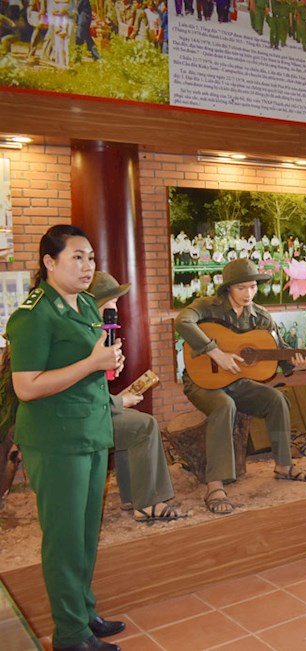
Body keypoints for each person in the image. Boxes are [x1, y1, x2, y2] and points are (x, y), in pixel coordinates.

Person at [6, 224, 126, 651]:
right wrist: (93, 362)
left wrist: (109, 361)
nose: (87, 265)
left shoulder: (89, 306)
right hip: (55, 441)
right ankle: (70, 635)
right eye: (77, 257)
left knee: (84, 532)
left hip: (90, 432)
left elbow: (94, 366)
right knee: (64, 538)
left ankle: (83, 611)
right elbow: (27, 386)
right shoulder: (33, 316)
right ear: (49, 262)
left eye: (90, 257)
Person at [174, 258, 306, 516]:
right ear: (228, 288)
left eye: (252, 287)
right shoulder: (207, 307)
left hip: (238, 383)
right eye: (242, 288)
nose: (249, 293)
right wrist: (215, 353)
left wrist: (296, 363)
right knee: (224, 405)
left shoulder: (261, 317)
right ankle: (214, 485)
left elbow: (281, 355)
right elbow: (183, 322)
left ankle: (284, 464)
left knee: (276, 400)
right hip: (201, 383)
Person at [88, 272, 183, 523]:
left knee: (133, 420)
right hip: (82, 418)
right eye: (110, 305)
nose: (114, 311)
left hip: (91, 410)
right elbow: (81, 393)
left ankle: (131, 496)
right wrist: (119, 401)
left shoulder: (98, 335)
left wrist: (116, 393)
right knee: (144, 425)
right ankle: (148, 502)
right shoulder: (87, 338)